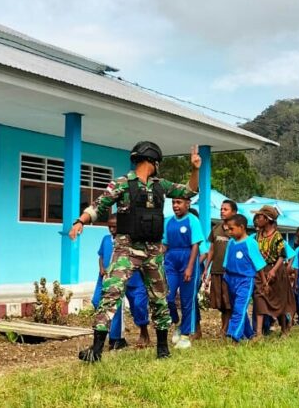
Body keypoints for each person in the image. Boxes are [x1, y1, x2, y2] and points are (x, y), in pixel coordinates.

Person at [71, 142, 201, 362]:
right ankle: (96, 349)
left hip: (153, 251)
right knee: (111, 293)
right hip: (126, 249)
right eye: (157, 163)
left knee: (159, 298)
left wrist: (195, 169)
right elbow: (99, 204)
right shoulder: (122, 184)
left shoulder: (161, 185)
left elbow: (189, 191)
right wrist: (80, 221)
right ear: (152, 161)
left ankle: (162, 348)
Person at [91, 214, 150, 350]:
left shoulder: (130, 240)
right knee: (97, 301)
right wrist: (101, 268)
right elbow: (101, 256)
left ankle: (137, 332)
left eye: (114, 227)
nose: (111, 229)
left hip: (130, 278)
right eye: (109, 226)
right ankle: (113, 334)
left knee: (138, 306)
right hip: (107, 277)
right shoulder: (106, 240)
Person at [163, 196, 206, 349]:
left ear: (187, 204)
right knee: (168, 296)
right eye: (173, 202)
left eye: (179, 202)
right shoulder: (168, 221)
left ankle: (185, 335)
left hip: (188, 259)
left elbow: (195, 245)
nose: (175, 205)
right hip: (171, 261)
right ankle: (177, 323)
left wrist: (189, 267)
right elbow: (164, 244)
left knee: (188, 300)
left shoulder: (193, 220)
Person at [221, 214, 267, 343]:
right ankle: (249, 334)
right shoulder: (231, 242)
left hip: (245, 280)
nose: (229, 232)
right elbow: (226, 262)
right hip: (230, 279)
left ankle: (233, 335)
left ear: (241, 227)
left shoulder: (250, 243)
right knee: (237, 307)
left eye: (231, 229)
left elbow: (259, 264)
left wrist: (264, 282)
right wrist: (225, 279)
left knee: (239, 308)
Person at [252, 205, 296, 337]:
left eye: (259, 217)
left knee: (280, 300)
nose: (257, 219)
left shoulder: (277, 236)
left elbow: (282, 255)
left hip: (276, 270)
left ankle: (284, 329)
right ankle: (258, 333)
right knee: (259, 297)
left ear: (267, 219)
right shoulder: (257, 236)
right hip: (261, 270)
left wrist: (273, 270)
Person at [202, 199, 237, 337]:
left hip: (231, 272)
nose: (222, 211)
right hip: (217, 270)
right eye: (221, 209)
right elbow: (211, 250)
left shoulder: (236, 230)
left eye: (225, 209)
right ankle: (225, 328)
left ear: (234, 212)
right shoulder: (216, 228)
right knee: (221, 303)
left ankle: (226, 329)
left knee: (229, 302)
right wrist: (207, 268)